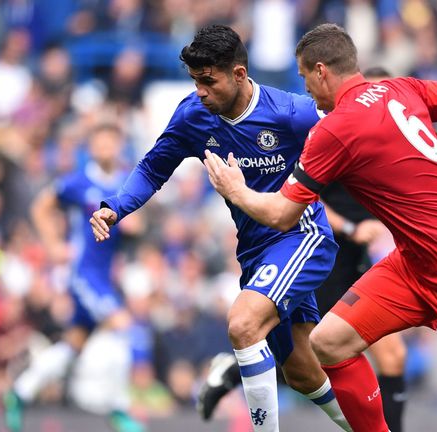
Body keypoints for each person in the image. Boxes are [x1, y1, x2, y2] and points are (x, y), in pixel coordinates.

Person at [203, 23, 437, 432]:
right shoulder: (401, 88)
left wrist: (235, 190)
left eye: (304, 76)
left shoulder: (334, 129)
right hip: (414, 263)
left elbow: (280, 214)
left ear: (321, 71)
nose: (305, 88)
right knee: (328, 342)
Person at [89, 25, 350, 432]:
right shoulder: (193, 116)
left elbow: (350, 134)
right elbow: (153, 168)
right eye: (195, 81)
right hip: (254, 251)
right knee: (301, 371)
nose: (201, 92)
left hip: (301, 236)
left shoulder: (291, 113)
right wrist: (116, 207)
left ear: (240, 74)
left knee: (243, 323)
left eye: (208, 81)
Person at [195, 68, 408, 431]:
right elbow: (308, 196)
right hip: (319, 254)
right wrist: (352, 227)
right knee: (307, 354)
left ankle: (233, 367)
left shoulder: (385, 141)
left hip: (357, 261)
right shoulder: (329, 132)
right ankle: (233, 368)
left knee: (381, 355)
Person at [3, 124, 144, 432]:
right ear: (91, 148)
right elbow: (41, 207)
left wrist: (134, 227)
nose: (105, 148)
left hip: (104, 275)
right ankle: (119, 409)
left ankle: (20, 392)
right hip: (84, 273)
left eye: (111, 142)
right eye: (100, 143)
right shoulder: (78, 182)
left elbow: (138, 225)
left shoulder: (126, 182)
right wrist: (53, 245)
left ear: (120, 146)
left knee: (74, 344)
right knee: (123, 327)